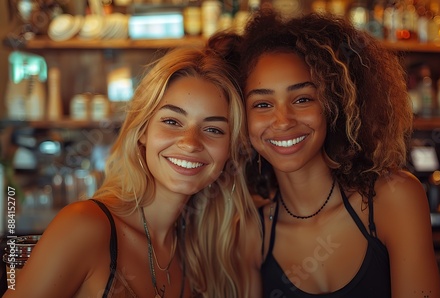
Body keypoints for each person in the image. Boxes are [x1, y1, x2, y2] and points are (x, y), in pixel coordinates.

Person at [4, 33, 261, 298]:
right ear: (142, 131)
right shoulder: (84, 226)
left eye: (213, 129)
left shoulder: (202, 251)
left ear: (230, 149)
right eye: (172, 121)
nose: (190, 143)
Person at [236, 9, 440, 297]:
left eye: (303, 98)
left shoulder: (395, 198)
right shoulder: (250, 232)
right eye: (262, 104)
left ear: (336, 105)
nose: (282, 120)